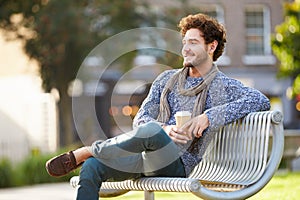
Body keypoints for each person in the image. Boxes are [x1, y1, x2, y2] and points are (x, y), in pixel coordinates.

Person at [45, 13, 270, 200]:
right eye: (184, 43)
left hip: (180, 163)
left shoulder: (224, 86)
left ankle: (85, 151)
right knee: (92, 167)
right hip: (147, 156)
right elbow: (141, 119)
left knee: (150, 131)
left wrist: (208, 117)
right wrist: (165, 129)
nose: (185, 49)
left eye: (193, 43)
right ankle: (90, 156)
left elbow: (261, 100)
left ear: (211, 46)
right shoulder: (166, 80)